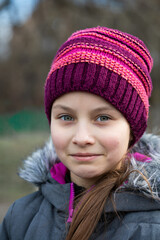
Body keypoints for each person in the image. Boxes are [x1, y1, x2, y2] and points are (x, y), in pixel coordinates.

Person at [0, 26, 160, 240]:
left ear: (132, 130)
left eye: (102, 118)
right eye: (66, 117)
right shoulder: (20, 218)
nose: (81, 138)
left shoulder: (152, 228)